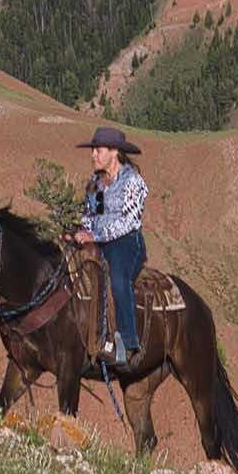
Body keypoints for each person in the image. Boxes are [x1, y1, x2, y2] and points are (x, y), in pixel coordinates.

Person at [71, 126, 147, 368]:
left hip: (126, 243)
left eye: (98, 150)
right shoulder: (96, 183)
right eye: (93, 150)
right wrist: (79, 232)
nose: (93, 155)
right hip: (99, 241)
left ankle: (128, 343)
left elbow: (130, 221)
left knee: (118, 280)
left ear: (114, 152)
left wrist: (95, 234)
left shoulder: (133, 181)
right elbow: (91, 215)